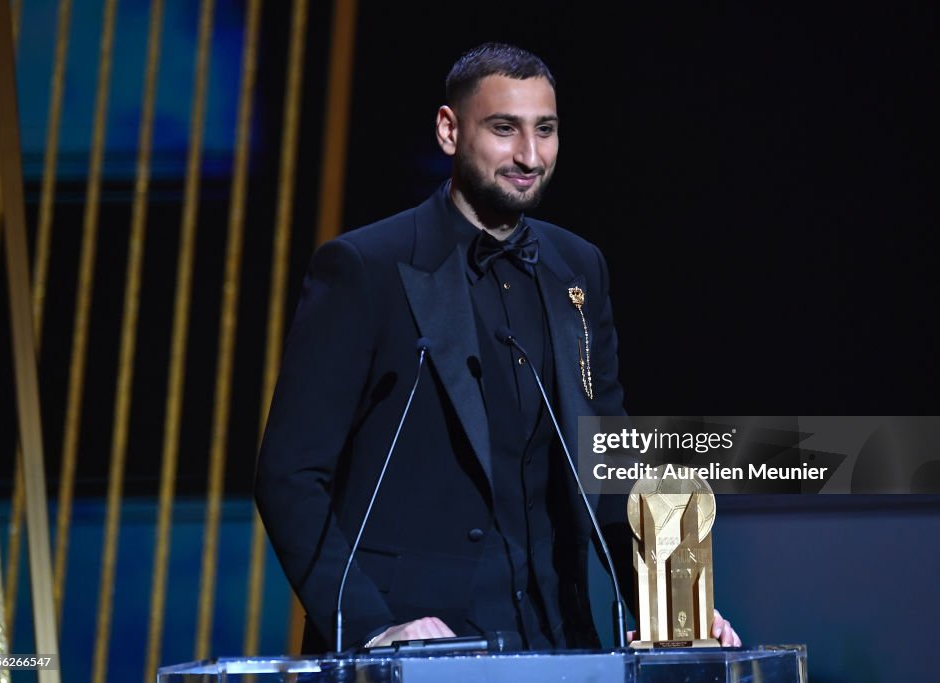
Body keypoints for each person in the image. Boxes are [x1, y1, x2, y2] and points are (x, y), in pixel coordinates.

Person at [255, 42, 739, 653]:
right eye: (504, 129)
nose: (529, 156)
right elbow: (289, 473)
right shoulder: (364, 268)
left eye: (546, 130)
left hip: (561, 641)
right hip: (416, 646)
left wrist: (674, 609)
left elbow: (609, 461)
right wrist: (370, 624)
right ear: (449, 130)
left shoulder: (578, 267)